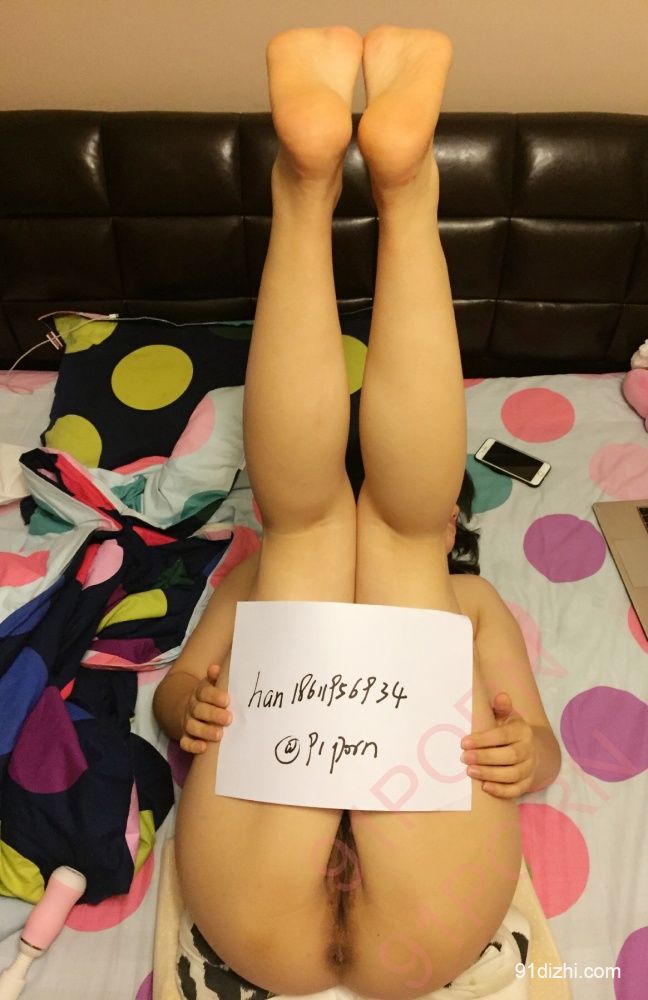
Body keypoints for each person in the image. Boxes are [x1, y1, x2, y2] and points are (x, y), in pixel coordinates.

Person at [153, 25, 561, 1000]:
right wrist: (189, 706)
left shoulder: (285, 578)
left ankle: (308, 189)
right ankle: (403, 189)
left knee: (308, 533)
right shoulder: (466, 602)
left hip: (259, 914)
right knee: (376, 538)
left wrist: (525, 752)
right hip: (422, 924)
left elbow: (535, 748)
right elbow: (179, 697)